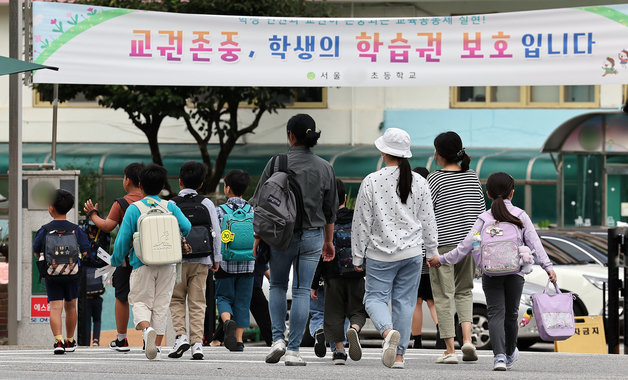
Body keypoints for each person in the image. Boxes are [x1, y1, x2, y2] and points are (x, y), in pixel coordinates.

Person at [428, 172, 557, 371]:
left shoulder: (484, 218)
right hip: (515, 273)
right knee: (511, 314)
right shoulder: (520, 216)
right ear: (512, 193)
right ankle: (509, 352)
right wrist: (548, 267)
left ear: (488, 193)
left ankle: (498, 358)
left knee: (496, 314)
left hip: (490, 273)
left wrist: (441, 260)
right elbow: (535, 243)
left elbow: (464, 247)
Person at [253, 113, 338, 366]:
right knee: (301, 290)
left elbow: (261, 202)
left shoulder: (277, 163)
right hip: (312, 235)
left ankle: (277, 339)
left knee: (278, 286)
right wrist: (328, 241)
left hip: (280, 236)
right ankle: (293, 351)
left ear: (291, 135)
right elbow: (330, 210)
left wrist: (258, 236)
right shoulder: (325, 167)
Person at [352, 128, 438, 369]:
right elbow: (428, 220)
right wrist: (432, 252)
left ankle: (388, 332)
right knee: (405, 303)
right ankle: (399, 356)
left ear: (383, 151)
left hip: (380, 253)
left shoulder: (371, 180)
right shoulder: (420, 181)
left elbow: (361, 222)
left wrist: (357, 256)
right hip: (412, 253)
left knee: (374, 299)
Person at [111, 164, 191, 360]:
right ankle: (157, 346)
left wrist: (115, 259)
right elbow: (186, 227)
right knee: (161, 305)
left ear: (140, 184)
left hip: (142, 264)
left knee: (139, 301)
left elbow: (122, 240)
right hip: (168, 263)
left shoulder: (134, 209)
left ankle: (147, 332)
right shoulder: (170, 206)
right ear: (162, 185)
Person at [426, 131, 485, 364]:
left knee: (443, 295)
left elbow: (426, 215)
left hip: (443, 246)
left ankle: (450, 349)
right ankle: (468, 340)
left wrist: (427, 250)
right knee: (464, 292)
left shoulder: (435, 179)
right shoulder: (472, 176)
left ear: (439, 154)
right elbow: (481, 213)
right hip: (468, 246)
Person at [83, 162, 144, 352]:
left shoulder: (122, 203)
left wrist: (92, 214)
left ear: (127, 180)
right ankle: (149, 337)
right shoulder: (151, 201)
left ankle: (122, 339)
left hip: (126, 258)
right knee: (147, 299)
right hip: (150, 259)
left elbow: (107, 225)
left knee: (122, 297)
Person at [169, 161, 221, 360]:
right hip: (202, 260)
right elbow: (215, 232)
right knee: (198, 302)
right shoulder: (206, 203)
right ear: (201, 184)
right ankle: (197, 343)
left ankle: (181, 336)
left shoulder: (172, 204)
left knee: (176, 300)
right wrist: (216, 258)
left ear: (180, 181)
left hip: (177, 261)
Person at [312, 178, 367, 365]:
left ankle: (339, 352)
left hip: (332, 275)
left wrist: (314, 283)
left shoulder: (325, 223)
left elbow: (321, 255)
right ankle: (355, 329)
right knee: (358, 310)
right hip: (357, 272)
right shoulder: (357, 218)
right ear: (345, 197)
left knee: (333, 312)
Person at [33, 189, 90, 354]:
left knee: (55, 308)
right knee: (71, 306)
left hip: (52, 274)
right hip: (73, 274)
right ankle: (70, 340)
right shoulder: (76, 229)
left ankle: (58, 341)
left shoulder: (44, 230)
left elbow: (37, 252)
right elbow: (85, 251)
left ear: (51, 208)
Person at [215, 169, 256, 352]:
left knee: (223, 297)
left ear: (227, 188)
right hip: (248, 262)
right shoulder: (253, 211)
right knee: (243, 301)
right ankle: (239, 340)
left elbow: (215, 237)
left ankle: (227, 321)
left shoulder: (220, 211)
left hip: (225, 262)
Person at [410, 167, 442, 349]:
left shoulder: (410, 198)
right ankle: (440, 335)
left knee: (416, 301)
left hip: (414, 253)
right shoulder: (431, 198)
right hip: (430, 255)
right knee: (432, 300)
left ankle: (417, 341)